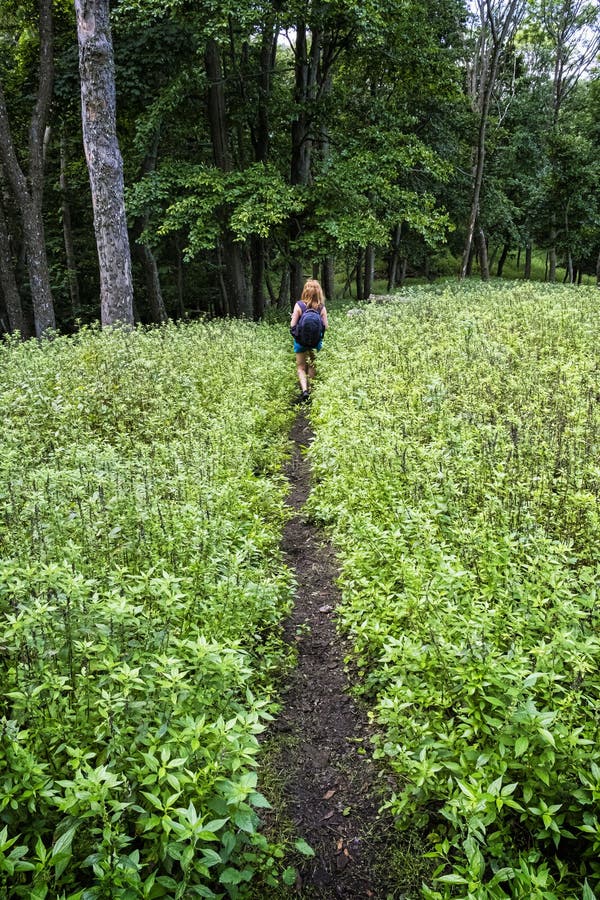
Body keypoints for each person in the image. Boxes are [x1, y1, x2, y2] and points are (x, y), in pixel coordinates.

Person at [290, 278, 328, 402]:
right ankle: (311, 391)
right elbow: (325, 327)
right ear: (319, 292)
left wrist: (297, 335)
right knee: (312, 364)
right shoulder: (321, 308)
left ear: (305, 291)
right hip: (316, 342)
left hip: (300, 342)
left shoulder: (299, 305)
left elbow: (292, 325)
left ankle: (304, 391)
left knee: (301, 367)